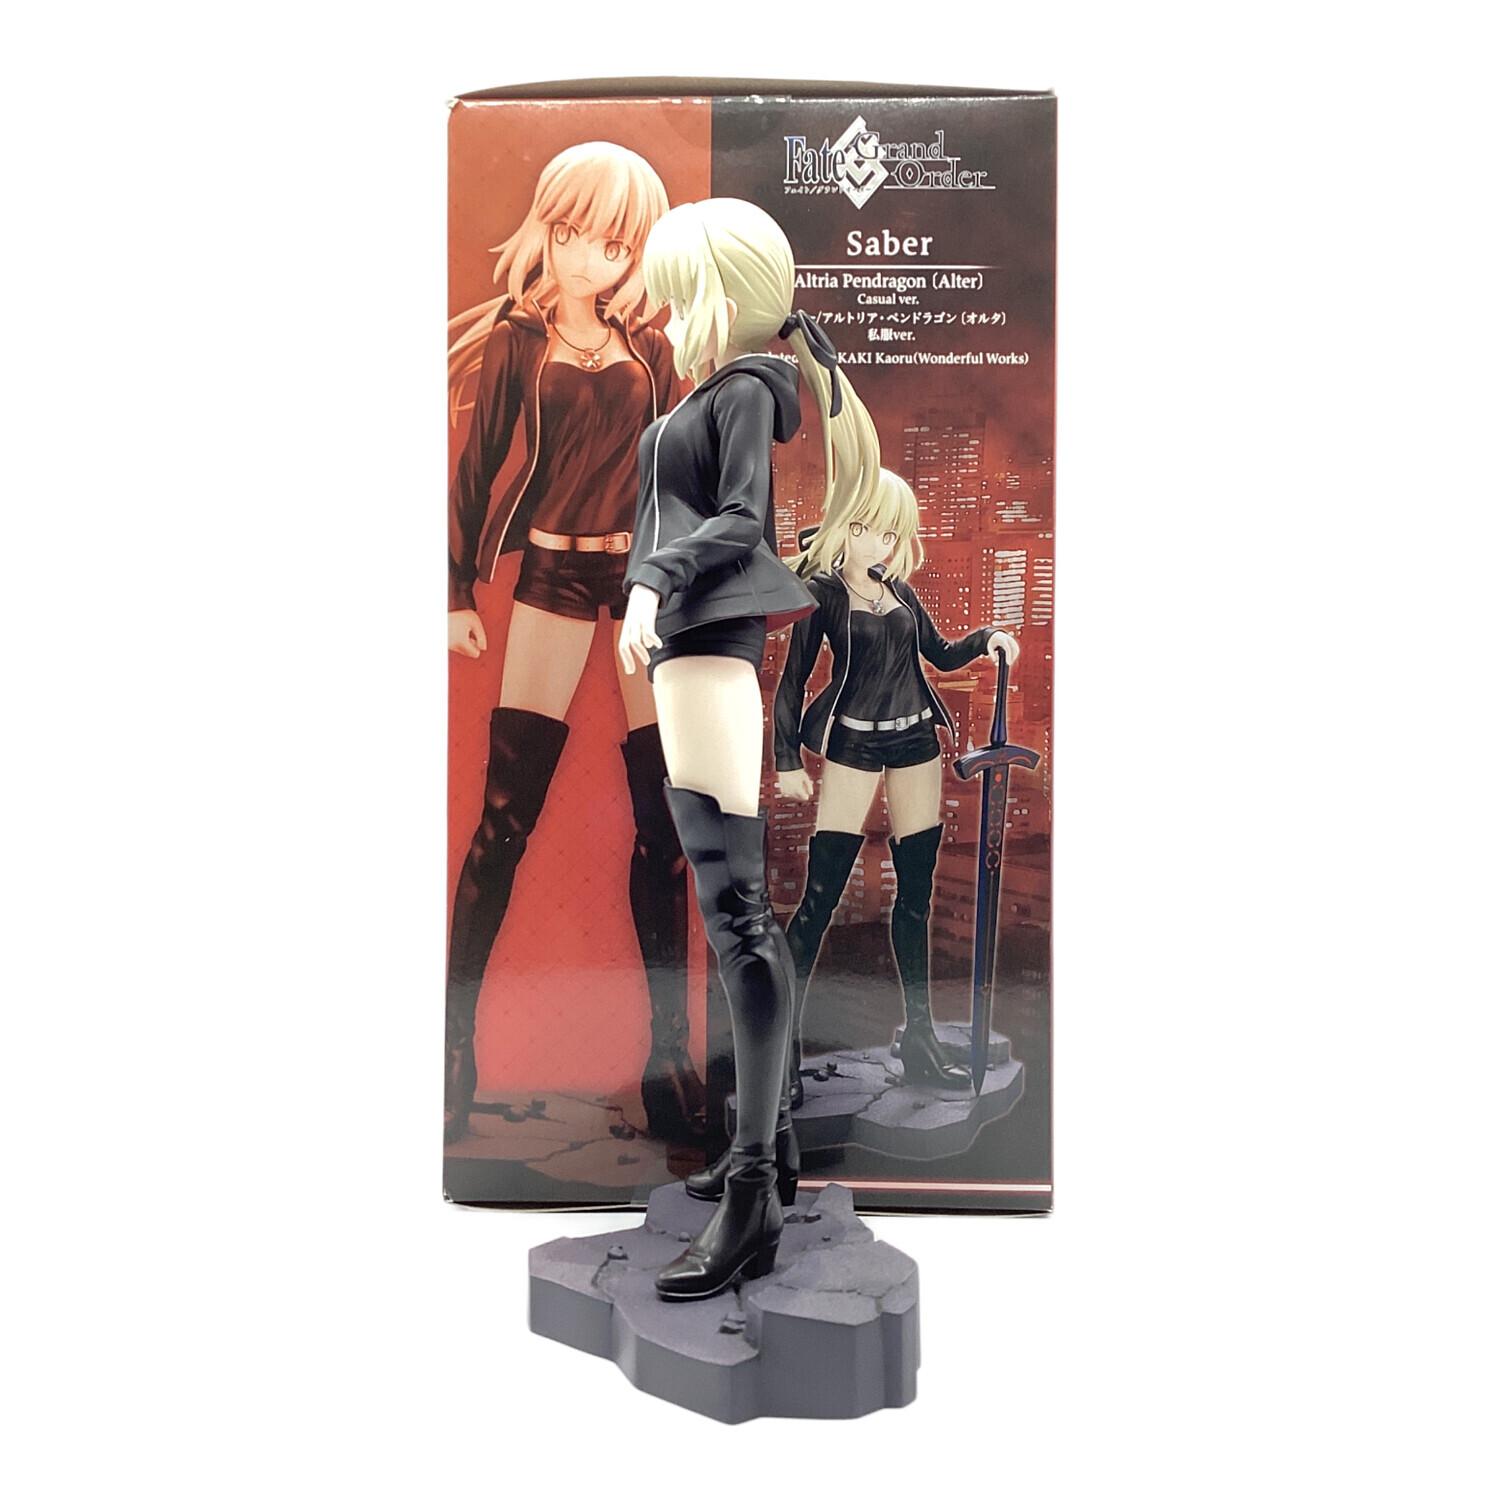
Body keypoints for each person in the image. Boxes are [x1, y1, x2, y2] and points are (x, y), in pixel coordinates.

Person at [617, 198, 882, 1301]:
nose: (662, 313)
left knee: (737, 914)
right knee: (725, 903)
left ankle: (759, 1191)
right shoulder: (711, 392)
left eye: (676, 293)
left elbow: (739, 523)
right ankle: (755, 1158)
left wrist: (651, 581)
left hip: (710, 650)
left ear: (717, 295)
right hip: (685, 655)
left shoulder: (742, 392)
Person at [445, 142, 704, 1146]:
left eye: (611, 244)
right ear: (546, 232)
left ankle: (669, 1054)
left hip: (640, 584)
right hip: (552, 572)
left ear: (634, 252)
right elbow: (476, 471)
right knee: (504, 818)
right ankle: (457, 1049)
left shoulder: (652, 353)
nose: (586, 257)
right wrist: (454, 588)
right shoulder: (520, 342)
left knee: (664, 823)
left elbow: (679, 476)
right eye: (569, 234)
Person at [773, 469, 1020, 1101]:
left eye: (892, 533)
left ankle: (920, 1040)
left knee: (916, 897)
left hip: (915, 742)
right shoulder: (823, 593)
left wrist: (987, 637)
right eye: (871, 529)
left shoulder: (899, 591)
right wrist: (786, 759)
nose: (882, 543)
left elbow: (939, 653)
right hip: (855, 742)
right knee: (820, 899)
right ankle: (779, 1048)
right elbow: (793, 679)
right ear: (846, 526)